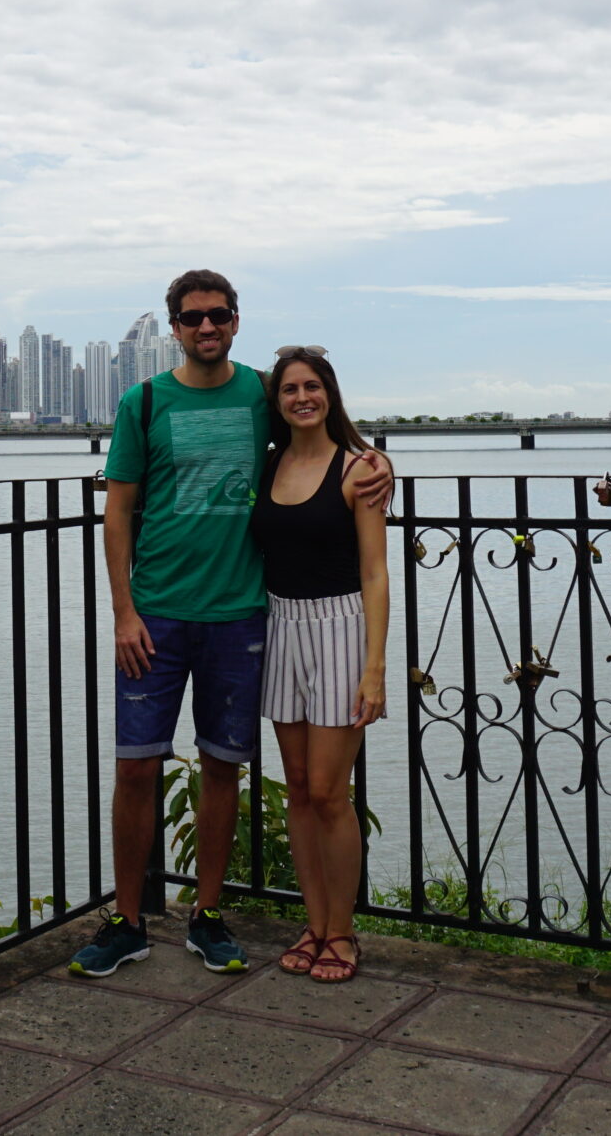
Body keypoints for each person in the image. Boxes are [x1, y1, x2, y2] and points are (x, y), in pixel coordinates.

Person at [70, 270, 391, 978]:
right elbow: (117, 512)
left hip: (241, 612)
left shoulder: (259, 393)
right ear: (174, 327)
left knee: (224, 767)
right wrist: (123, 610)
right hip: (154, 615)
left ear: (236, 320)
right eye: (192, 317)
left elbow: (322, 436)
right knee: (136, 766)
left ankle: (207, 914)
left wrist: (379, 460)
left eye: (218, 315)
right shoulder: (143, 401)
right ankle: (126, 919)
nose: (206, 327)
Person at [253, 346, 389, 983]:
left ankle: (342, 932)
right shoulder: (271, 464)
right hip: (283, 629)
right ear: (276, 402)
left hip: (340, 629)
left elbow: (375, 571)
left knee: (333, 794)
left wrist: (375, 667)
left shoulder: (359, 468)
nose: (300, 397)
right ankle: (312, 923)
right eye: (288, 389)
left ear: (329, 394)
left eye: (311, 386)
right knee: (300, 792)